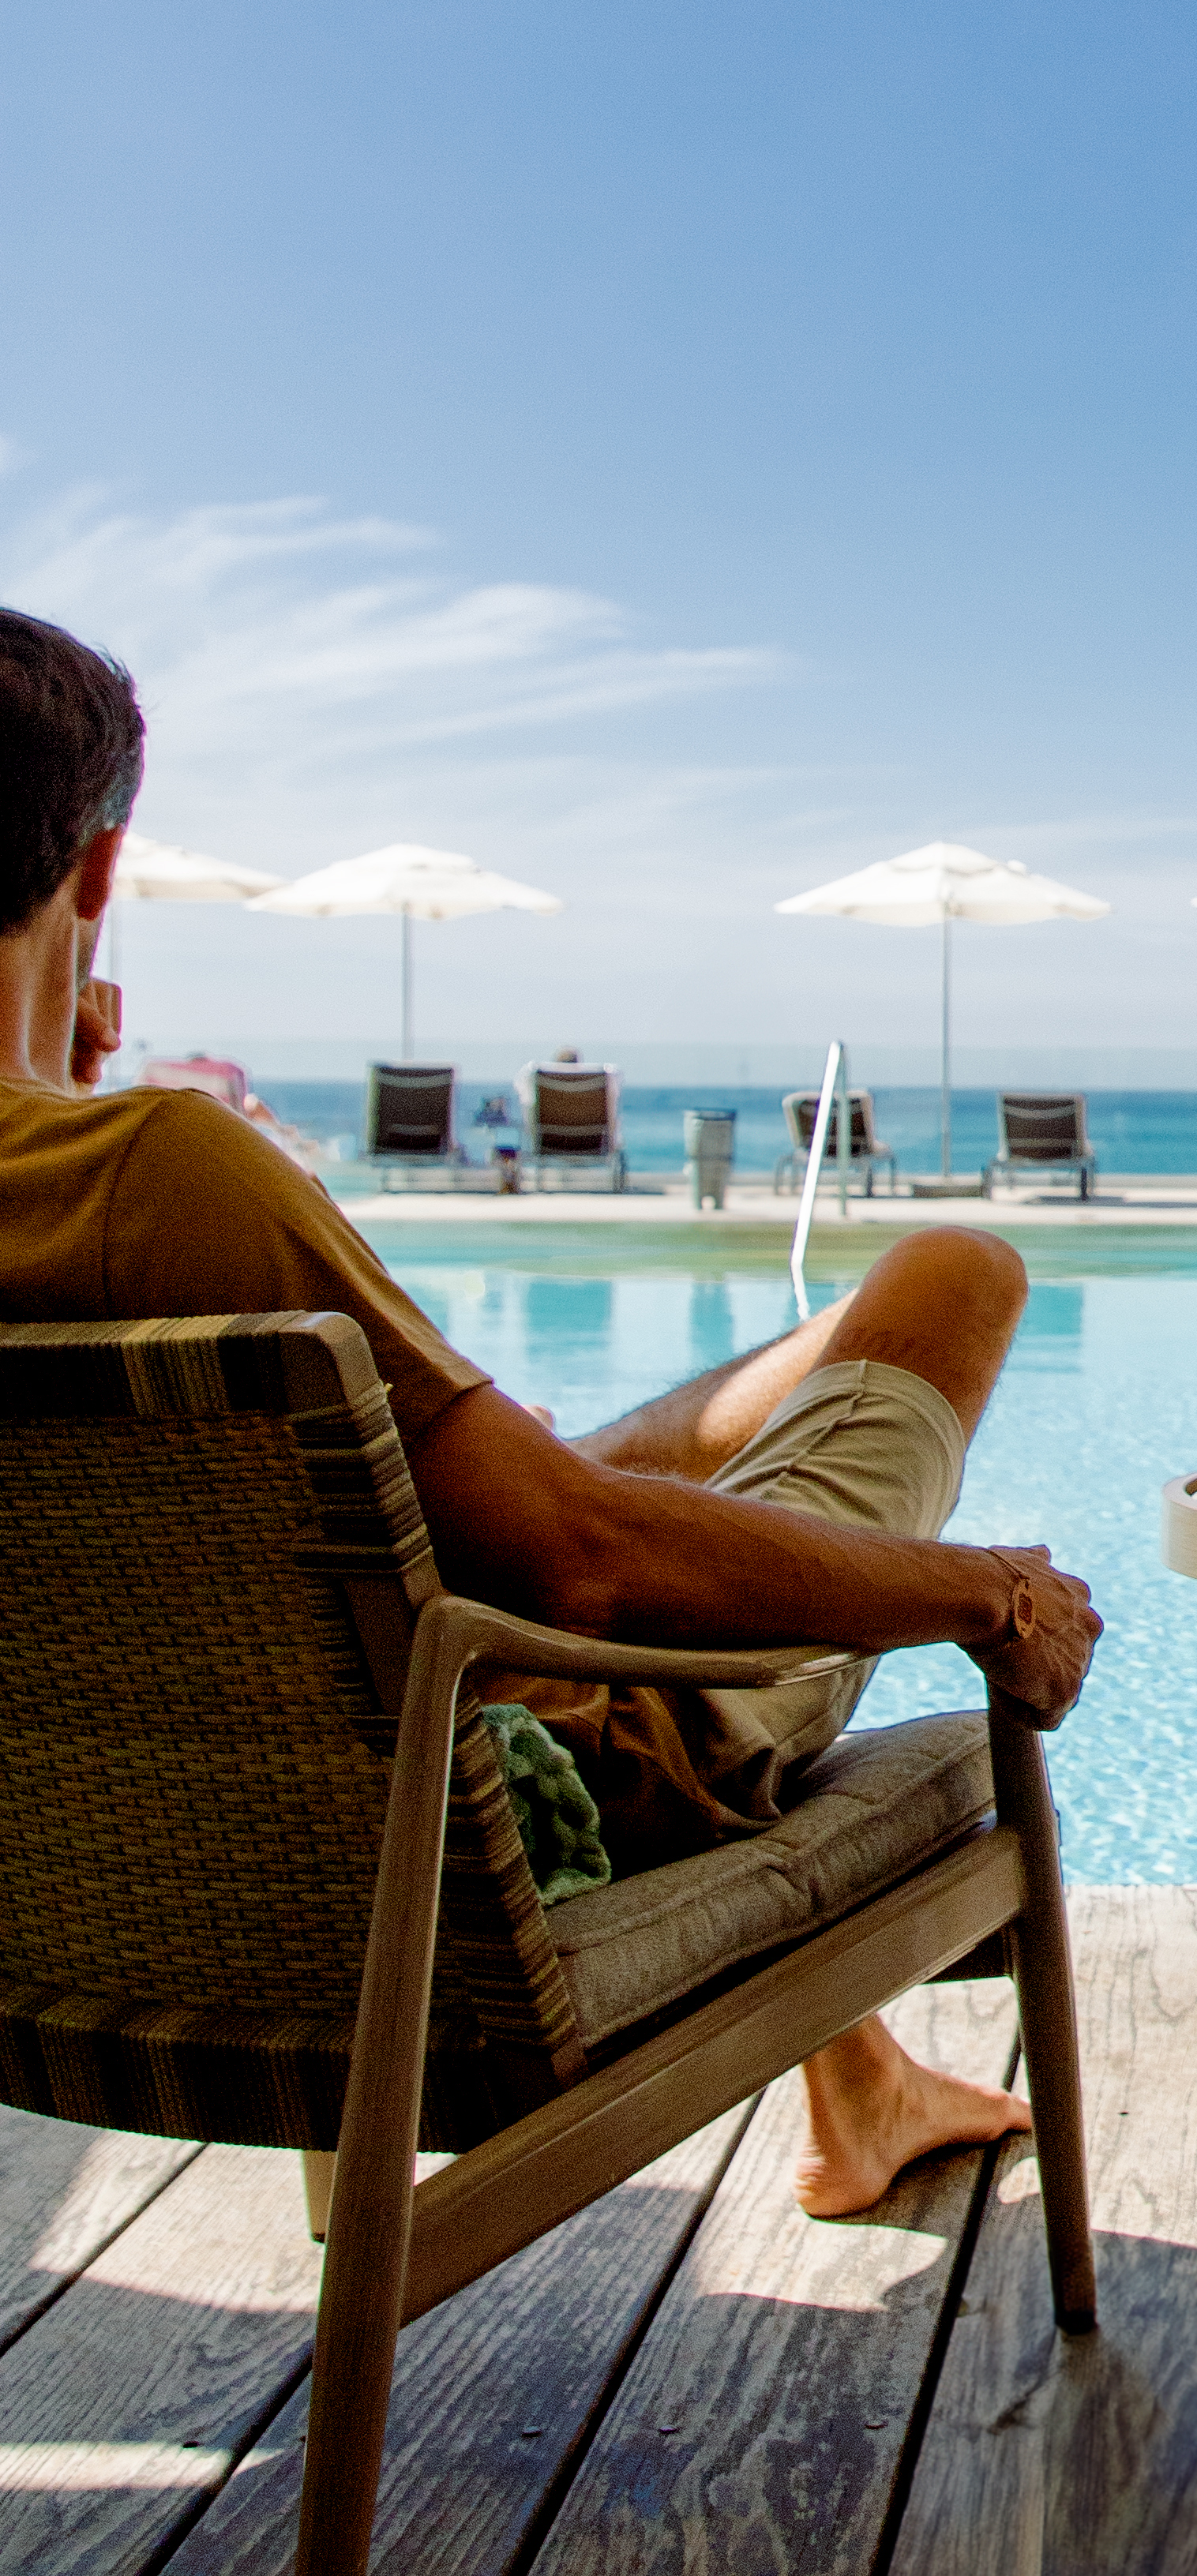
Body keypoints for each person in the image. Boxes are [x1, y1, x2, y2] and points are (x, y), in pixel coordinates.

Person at [0, 608, 1101, 2223]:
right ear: (101, 872)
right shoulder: (157, 1176)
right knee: (951, 1273)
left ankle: (860, 2091)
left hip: (112, 1888)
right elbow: (582, 1569)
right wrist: (981, 1592)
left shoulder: (94, 1185)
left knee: (632, 1437)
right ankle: (864, 2091)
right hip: (531, 1794)